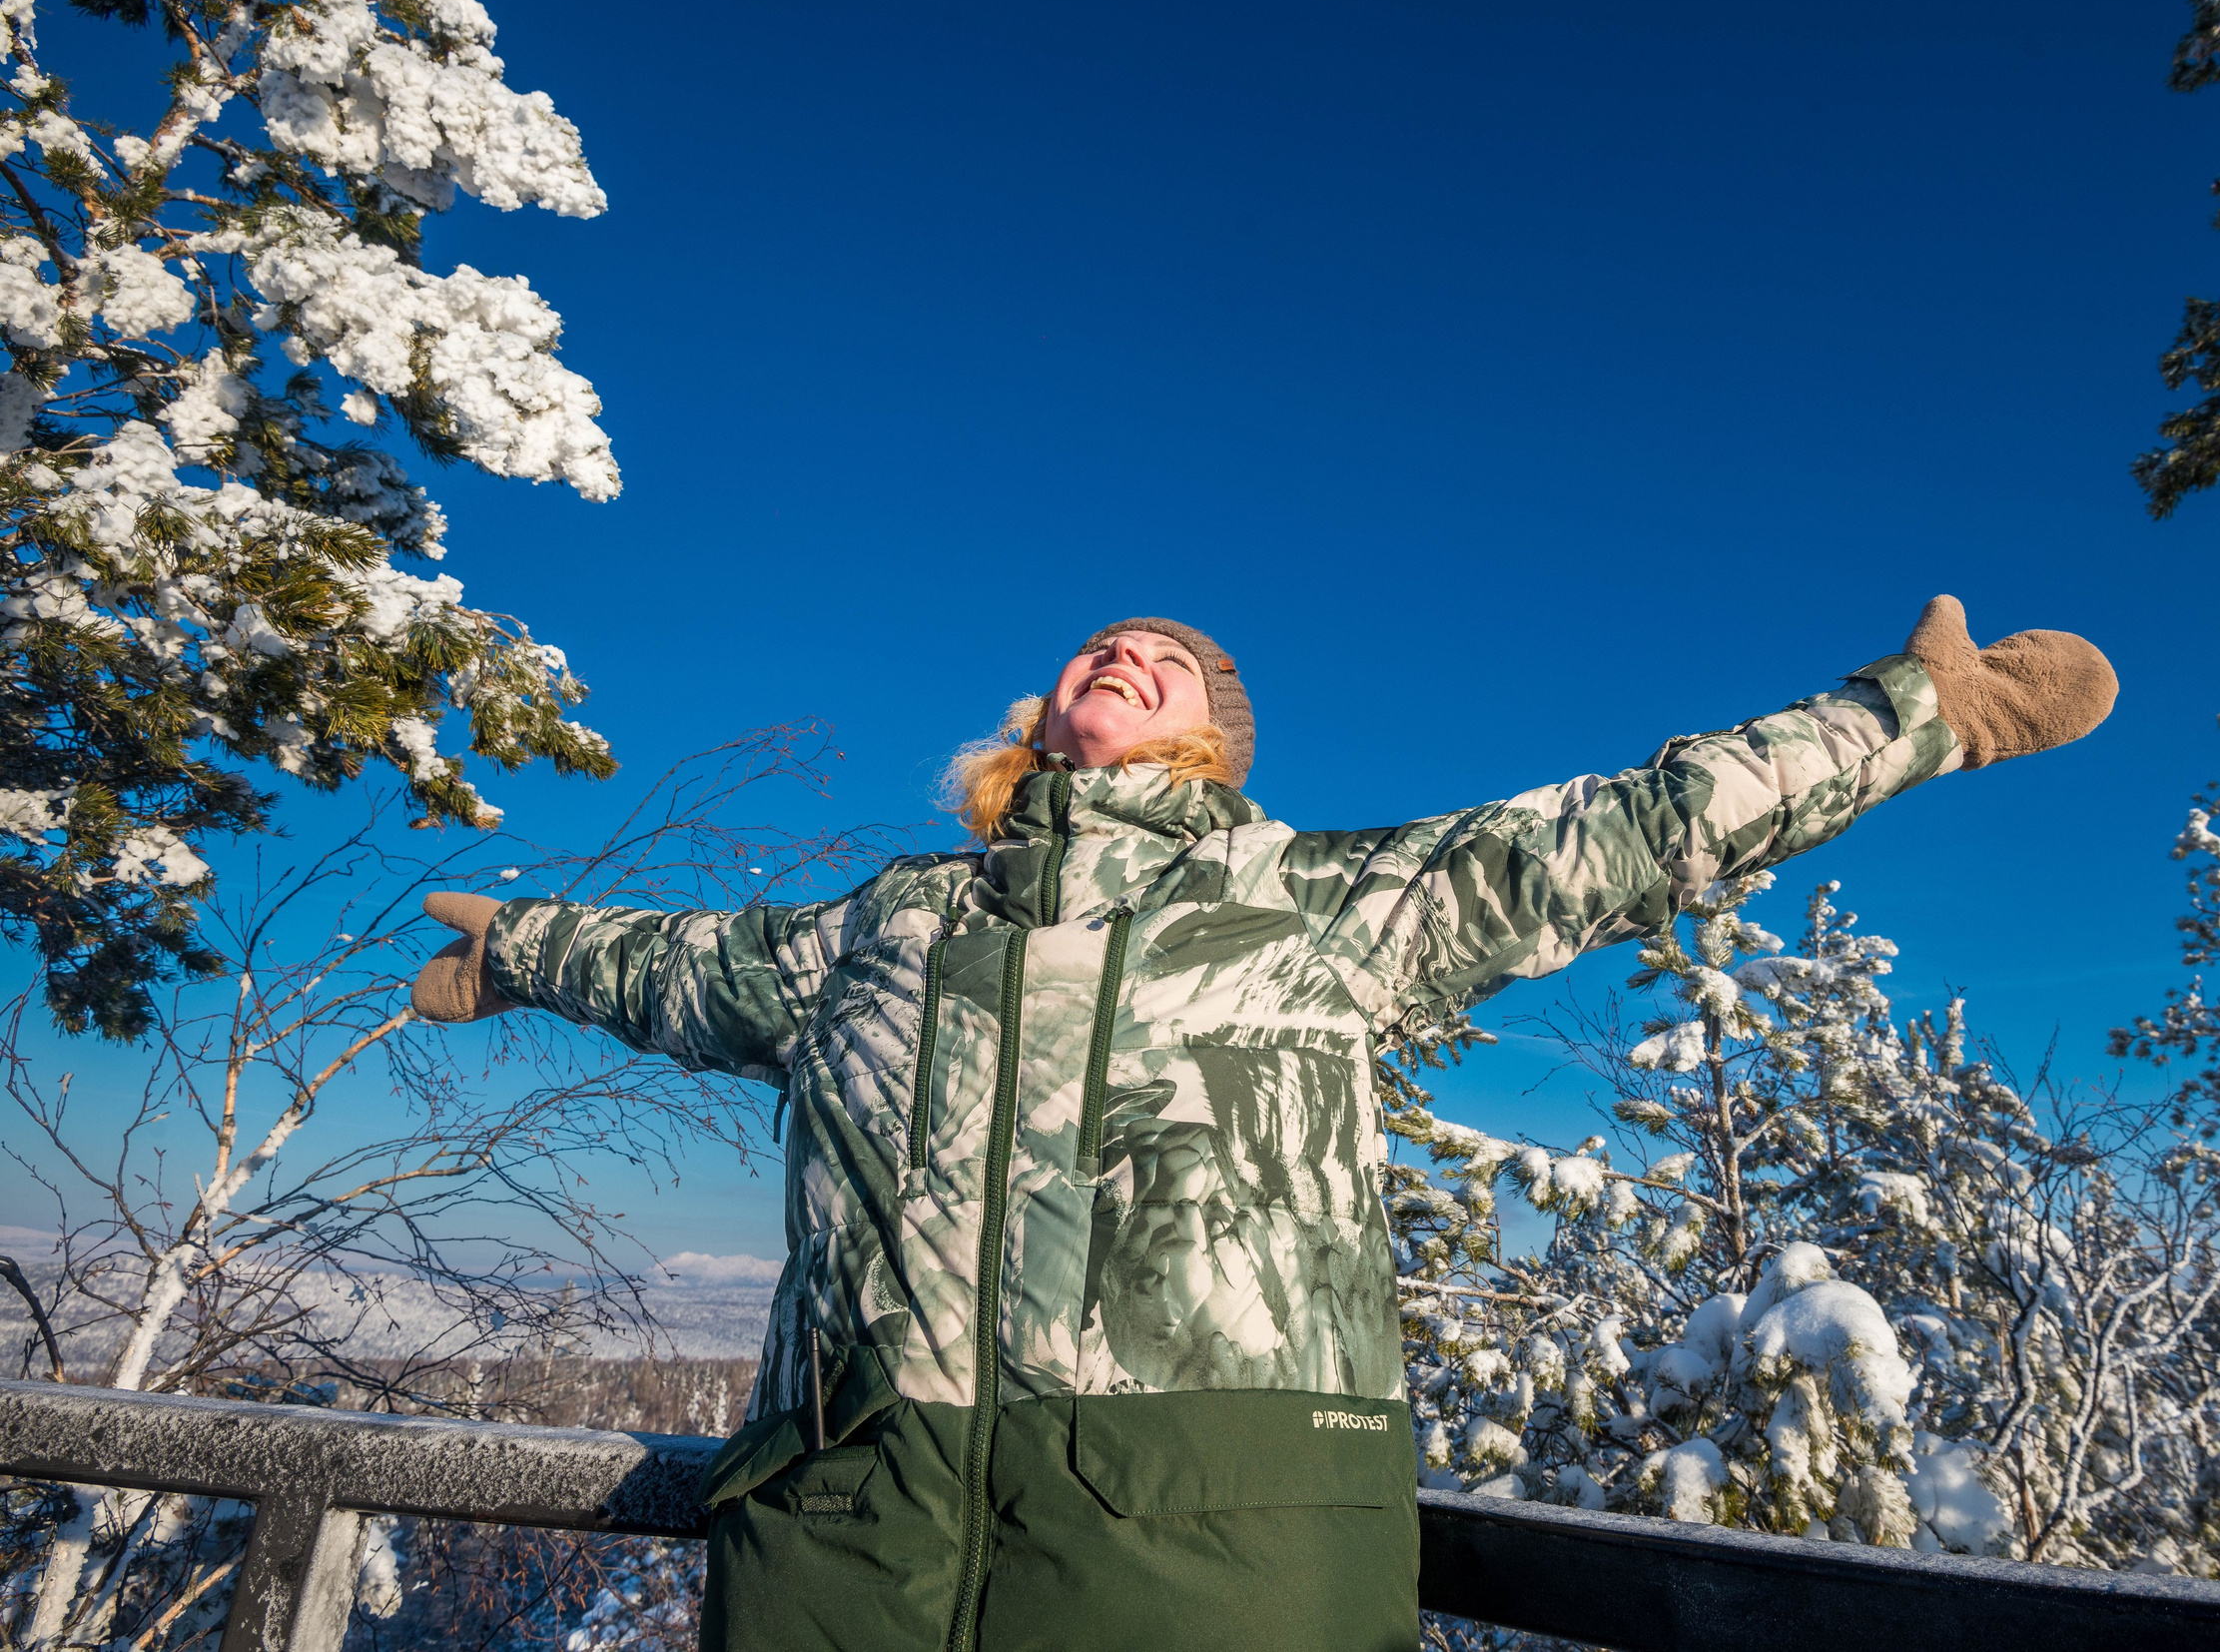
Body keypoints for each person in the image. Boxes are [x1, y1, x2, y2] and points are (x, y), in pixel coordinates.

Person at [408, 597, 2116, 1652]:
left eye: (1169, 665)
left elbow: (1629, 827)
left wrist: (1909, 715)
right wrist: (522, 949)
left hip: (1200, 1545)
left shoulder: (1318, 903)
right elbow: (682, 962)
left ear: (1213, 748)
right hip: (846, 1531)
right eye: (1099, 644)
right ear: (1038, 714)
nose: (1124, 655)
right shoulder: (882, 924)